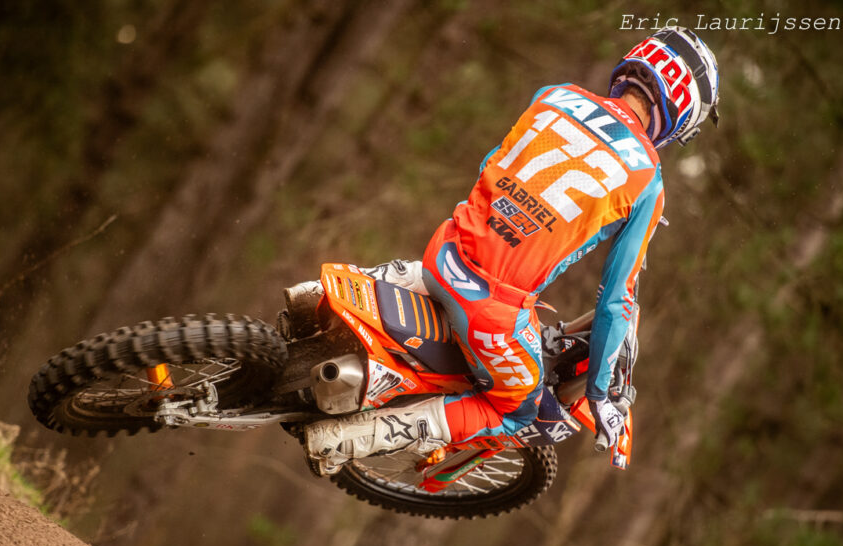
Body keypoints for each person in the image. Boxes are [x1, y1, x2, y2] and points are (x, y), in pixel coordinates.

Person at [303, 26, 720, 475]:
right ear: (681, 112)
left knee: (440, 268)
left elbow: (493, 165)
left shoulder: (556, 96)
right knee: (520, 410)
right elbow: (616, 301)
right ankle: (344, 439)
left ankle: (315, 295)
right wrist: (600, 396)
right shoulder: (647, 182)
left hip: (444, 249)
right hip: (491, 309)